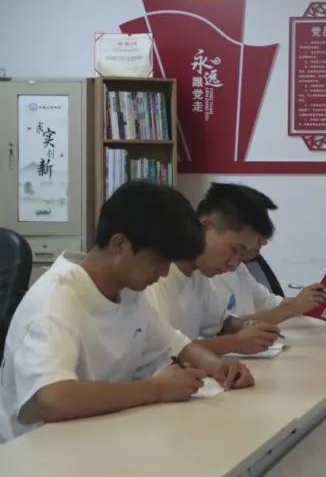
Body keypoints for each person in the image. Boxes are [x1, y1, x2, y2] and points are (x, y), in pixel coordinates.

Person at [0, 181, 254, 442]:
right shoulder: (55, 301)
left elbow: (175, 346)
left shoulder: (129, 292)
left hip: (99, 437)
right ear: (120, 244)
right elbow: (53, 399)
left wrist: (219, 367)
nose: (164, 272)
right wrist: (155, 389)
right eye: (158, 260)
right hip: (40, 450)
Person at [144, 183, 280, 355]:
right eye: (234, 250)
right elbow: (162, 353)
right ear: (206, 227)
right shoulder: (154, 277)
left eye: (241, 255)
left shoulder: (198, 275)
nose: (232, 265)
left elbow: (222, 323)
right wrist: (235, 343)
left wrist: (248, 327)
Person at [207, 185, 326, 324]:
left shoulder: (239, 268)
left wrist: (305, 300)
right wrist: (294, 307)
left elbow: (269, 303)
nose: (263, 243)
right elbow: (224, 327)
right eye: (258, 238)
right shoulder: (208, 273)